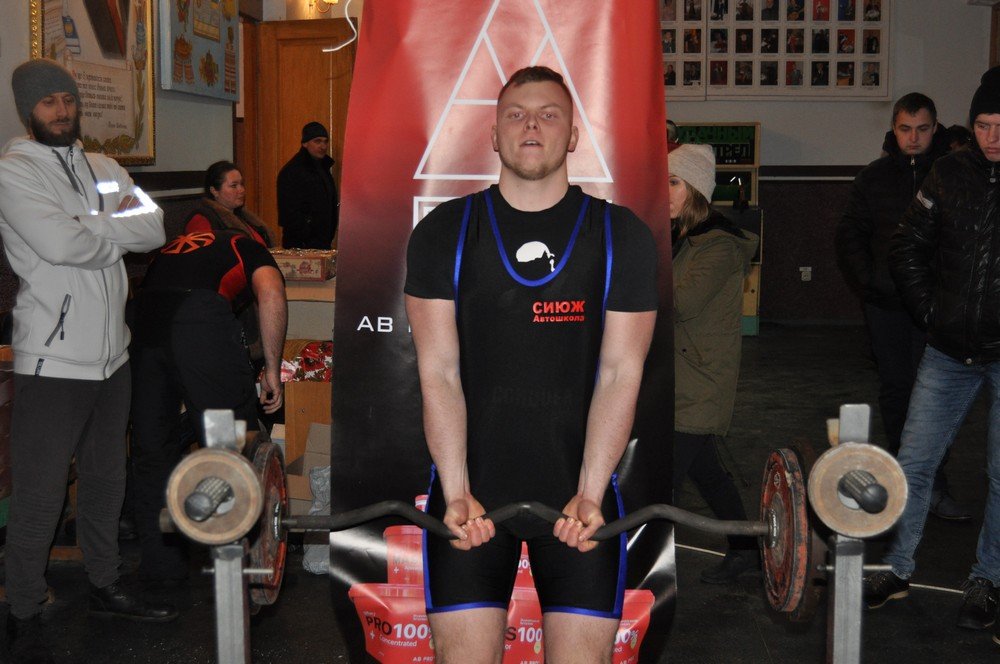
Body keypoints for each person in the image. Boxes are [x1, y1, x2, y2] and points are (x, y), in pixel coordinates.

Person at [404, 66, 657, 663]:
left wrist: (590, 492)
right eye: (516, 115)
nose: (532, 126)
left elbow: (621, 373)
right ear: (493, 135)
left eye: (549, 114)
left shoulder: (621, 236)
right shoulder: (444, 232)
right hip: (470, 498)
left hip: (580, 501)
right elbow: (438, 371)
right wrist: (458, 492)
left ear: (573, 135)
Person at [0, 59, 174, 660]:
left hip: (112, 356)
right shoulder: (14, 171)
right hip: (52, 360)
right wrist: (108, 234)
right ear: (28, 110)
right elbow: (58, 243)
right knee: (41, 493)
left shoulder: (105, 167)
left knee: (106, 479)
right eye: (48, 102)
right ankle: (24, 608)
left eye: (68, 100)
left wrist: (90, 227)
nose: (62, 110)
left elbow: (153, 228)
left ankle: (105, 583)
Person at [863, 66, 1000, 638]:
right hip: (946, 349)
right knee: (914, 462)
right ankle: (897, 567)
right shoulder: (948, 173)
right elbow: (906, 247)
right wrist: (930, 312)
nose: (992, 137)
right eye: (983, 125)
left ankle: (987, 580)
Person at [835, 93, 968, 521]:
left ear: (936, 128)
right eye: (905, 129)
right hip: (887, 304)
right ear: (893, 129)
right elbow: (850, 234)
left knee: (937, 395)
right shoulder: (872, 178)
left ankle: (934, 484)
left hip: (939, 306)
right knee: (896, 391)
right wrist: (870, 281)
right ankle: (903, 480)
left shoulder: (954, 174)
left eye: (922, 129)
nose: (913, 138)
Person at [128, 229, 287, 587]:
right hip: (199, 318)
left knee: (153, 448)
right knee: (232, 442)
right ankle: (241, 569)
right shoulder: (250, 246)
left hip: (144, 318)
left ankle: (161, 572)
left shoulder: (175, 248)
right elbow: (271, 293)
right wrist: (272, 371)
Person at [668, 144, 759, 583]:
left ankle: (639, 570)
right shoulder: (682, 239)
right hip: (682, 375)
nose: (663, 191)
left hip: (700, 379)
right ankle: (746, 550)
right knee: (707, 473)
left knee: (663, 481)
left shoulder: (718, 246)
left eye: (673, 182)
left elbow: (681, 302)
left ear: (696, 190)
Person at [276, 121, 339, 249]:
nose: (323, 146)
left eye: (325, 141)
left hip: (321, 243)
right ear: (305, 143)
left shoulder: (323, 169)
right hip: (301, 246)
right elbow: (289, 213)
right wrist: (306, 233)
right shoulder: (292, 171)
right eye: (317, 141)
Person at [186, 160, 273, 247]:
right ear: (214, 191)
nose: (242, 190)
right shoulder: (202, 220)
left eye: (241, 184)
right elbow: (204, 253)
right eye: (234, 186)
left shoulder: (243, 217)